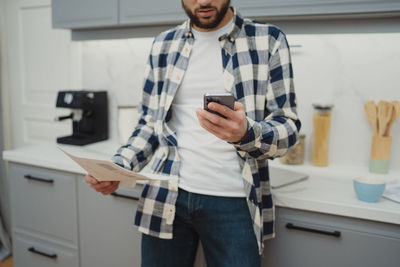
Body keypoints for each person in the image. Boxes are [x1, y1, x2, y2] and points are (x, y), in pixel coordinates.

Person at [85, 0, 301, 266]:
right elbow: (150, 124)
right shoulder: (164, 44)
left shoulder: (268, 39)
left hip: (235, 201)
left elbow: (288, 127)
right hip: (166, 194)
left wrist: (246, 132)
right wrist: (118, 167)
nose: (204, 1)